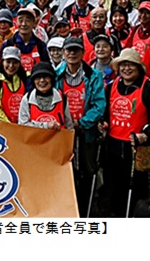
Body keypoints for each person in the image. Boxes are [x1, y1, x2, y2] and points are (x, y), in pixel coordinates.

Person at [98, 48, 150, 217]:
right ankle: (113, 212)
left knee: (135, 184)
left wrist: (146, 133)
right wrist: (103, 123)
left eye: (131, 65)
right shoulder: (112, 85)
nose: (126, 69)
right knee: (112, 181)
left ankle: (136, 214)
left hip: (136, 146)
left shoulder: (149, 86)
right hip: (113, 143)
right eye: (123, 65)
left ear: (138, 68)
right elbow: (104, 111)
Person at [54, 36, 106, 217]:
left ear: (83, 53)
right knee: (66, 169)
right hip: (63, 133)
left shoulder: (93, 76)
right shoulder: (56, 75)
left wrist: (82, 122)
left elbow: (99, 105)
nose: (72, 53)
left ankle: (88, 207)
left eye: (76, 50)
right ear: (63, 53)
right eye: (68, 50)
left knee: (88, 168)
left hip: (87, 131)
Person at [18, 61, 73, 130]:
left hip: (58, 140)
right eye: (38, 77)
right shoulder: (27, 99)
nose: (42, 80)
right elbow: (22, 126)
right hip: (34, 140)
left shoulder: (62, 98)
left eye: (46, 77)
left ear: (52, 79)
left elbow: (69, 127)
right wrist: (46, 126)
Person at [0, 6, 49, 74]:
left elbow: (46, 68)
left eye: (28, 20)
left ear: (34, 23)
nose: (24, 24)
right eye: (21, 20)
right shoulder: (8, 44)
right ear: (16, 22)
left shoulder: (41, 46)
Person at [0, 46, 29, 124]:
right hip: (2, 124)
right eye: (8, 62)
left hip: (23, 124)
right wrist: (8, 124)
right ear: (2, 62)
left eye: (15, 62)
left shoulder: (26, 78)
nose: (11, 66)